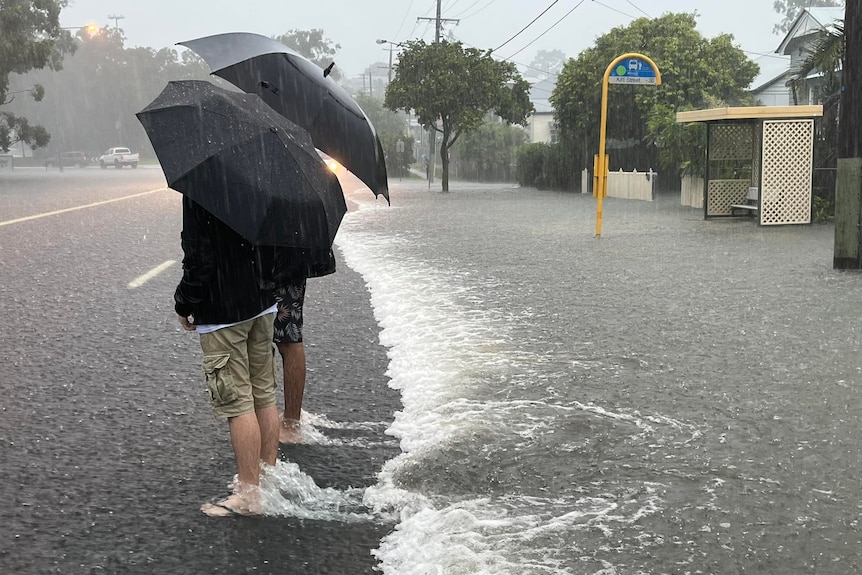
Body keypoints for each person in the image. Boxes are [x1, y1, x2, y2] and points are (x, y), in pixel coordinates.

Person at [174, 196, 281, 516]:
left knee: (238, 404)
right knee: (264, 395)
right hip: (262, 301)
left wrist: (185, 302)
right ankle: (267, 482)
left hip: (224, 311)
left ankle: (249, 497)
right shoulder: (260, 172)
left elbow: (199, 257)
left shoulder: (201, 183)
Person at [272, 248, 337, 443]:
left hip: (275, 260)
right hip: (291, 254)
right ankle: (288, 417)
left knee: (286, 341)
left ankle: (291, 423)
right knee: (287, 339)